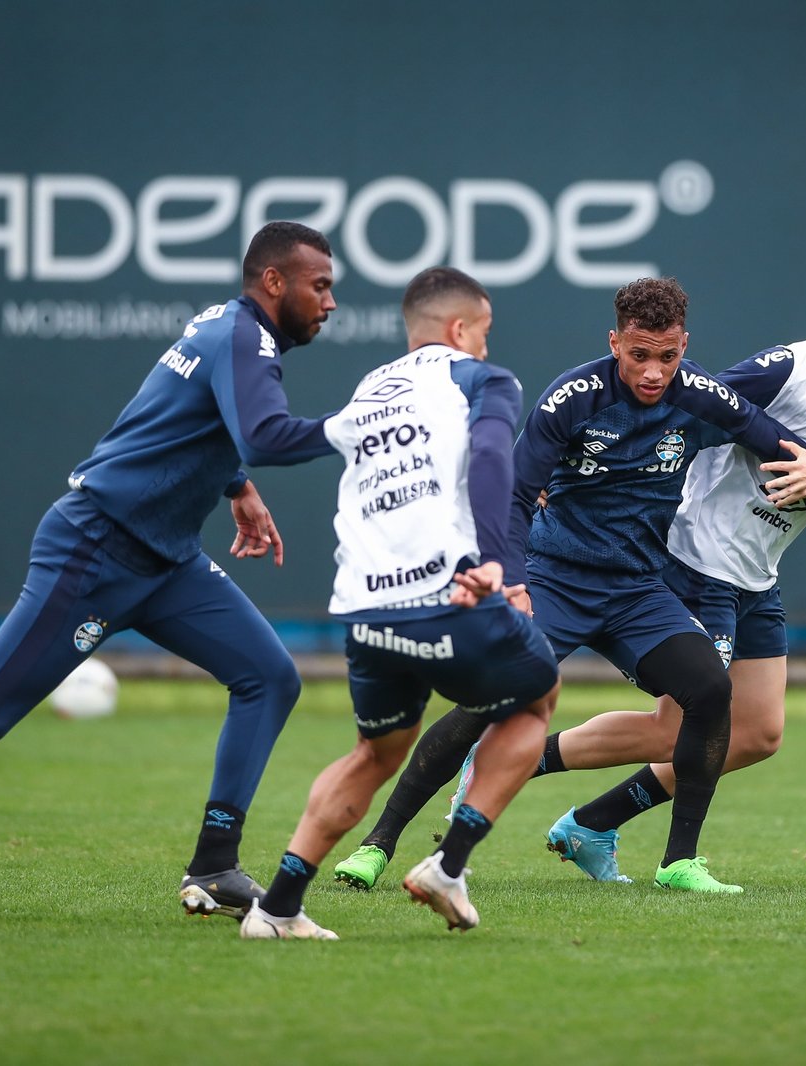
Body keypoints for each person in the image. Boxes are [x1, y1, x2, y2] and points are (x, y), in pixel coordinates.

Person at [0, 221, 341, 926]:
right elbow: (262, 435)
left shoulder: (231, 330)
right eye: (319, 285)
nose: (329, 301)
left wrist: (234, 485)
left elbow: (178, 416)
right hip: (95, 550)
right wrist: (355, 426)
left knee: (270, 677)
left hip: (167, 560)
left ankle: (215, 865)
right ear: (273, 282)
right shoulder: (243, 337)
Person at [331, 277, 806, 896]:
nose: (654, 372)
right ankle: (377, 845)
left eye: (668, 356)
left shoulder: (700, 395)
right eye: (639, 355)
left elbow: (775, 444)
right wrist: (517, 580)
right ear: (615, 343)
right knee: (488, 699)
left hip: (638, 590)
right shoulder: (573, 398)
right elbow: (516, 494)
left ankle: (679, 862)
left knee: (711, 690)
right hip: (557, 580)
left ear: (684, 345)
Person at [532, 257, 806, 883]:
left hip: (755, 576)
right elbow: (679, 403)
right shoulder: (784, 369)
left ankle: (591, 822)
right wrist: (568, 468)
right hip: (693, 560)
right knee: (676, 727)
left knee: (758, 734)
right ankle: (516, 760)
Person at [238, 266, 561, 940]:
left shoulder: (370, 391)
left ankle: (277, 908)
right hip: (449, 596)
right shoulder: (481, 380)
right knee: (536, 700)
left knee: (376, 753)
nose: (487, 348)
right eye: (486, 334)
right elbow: (496, 451)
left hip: (366, 613)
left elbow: (278, 440)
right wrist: (495, 559)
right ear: (460, 328)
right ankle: (450, 863)